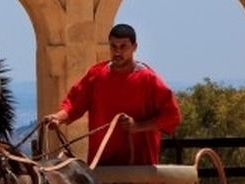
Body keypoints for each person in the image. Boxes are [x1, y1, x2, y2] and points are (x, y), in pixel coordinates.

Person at [45, 23, 181, 165]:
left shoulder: (149, 79)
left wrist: (138, 126)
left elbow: (172, 116)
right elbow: (74, 104)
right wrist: (57, 118)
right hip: (103, 165)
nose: (117, 52)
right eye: (113, 47)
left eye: (123, 47)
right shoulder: (97, 75)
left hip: (140, 166)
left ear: (134, 47)